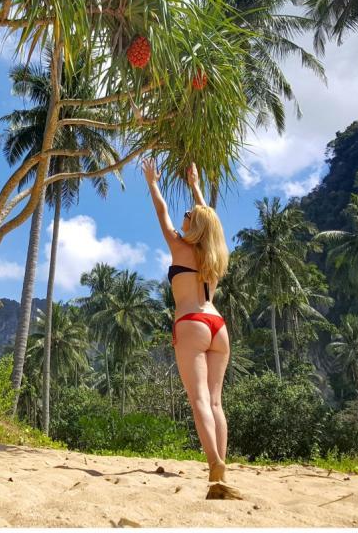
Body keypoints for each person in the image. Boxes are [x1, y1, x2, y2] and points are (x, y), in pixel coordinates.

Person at [142, 157, 230, 483]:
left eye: (189, 215)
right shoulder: (215, 256)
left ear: (195, 225)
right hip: (217, 325)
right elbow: (211, 221)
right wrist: (195, 186)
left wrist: (153, 182)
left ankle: (214, 462)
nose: (185, 215)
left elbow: (161, 212)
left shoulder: (179, 246)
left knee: (199, 400)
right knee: (216, 401)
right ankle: (220, 465)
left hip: (191, 321)